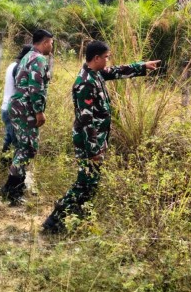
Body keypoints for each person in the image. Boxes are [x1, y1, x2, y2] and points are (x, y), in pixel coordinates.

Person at [41, 40, 160, 234]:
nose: (107, 60)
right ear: (96, 58)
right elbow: (86, 121)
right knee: (84, 183)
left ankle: (78, 218)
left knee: (92, 182)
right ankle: (53, 221)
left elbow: (116, 71)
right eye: (106, 57)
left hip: (96, 140)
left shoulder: (95, 74)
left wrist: (142, 67)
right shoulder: (85, 83)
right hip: (88, 142)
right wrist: (94, 149)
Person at [0, 30, 54, 205]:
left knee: (22, 147)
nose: (51, 46)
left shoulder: (27, 56)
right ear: (45, 42)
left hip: (18, 106)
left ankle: (13, 187)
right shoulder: (38, 59)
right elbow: (35, 87)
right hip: (26, 109)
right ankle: (12, 190)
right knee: (28, 149)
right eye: (51, 43)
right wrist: (39, 111)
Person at [0, 44, 33, 166]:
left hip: (6, 107)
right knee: (18, 142)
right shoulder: (19, 68)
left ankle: (4, 163)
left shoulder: (12, 65)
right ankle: (16, 169)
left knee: (9, 137)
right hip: (13, 109)